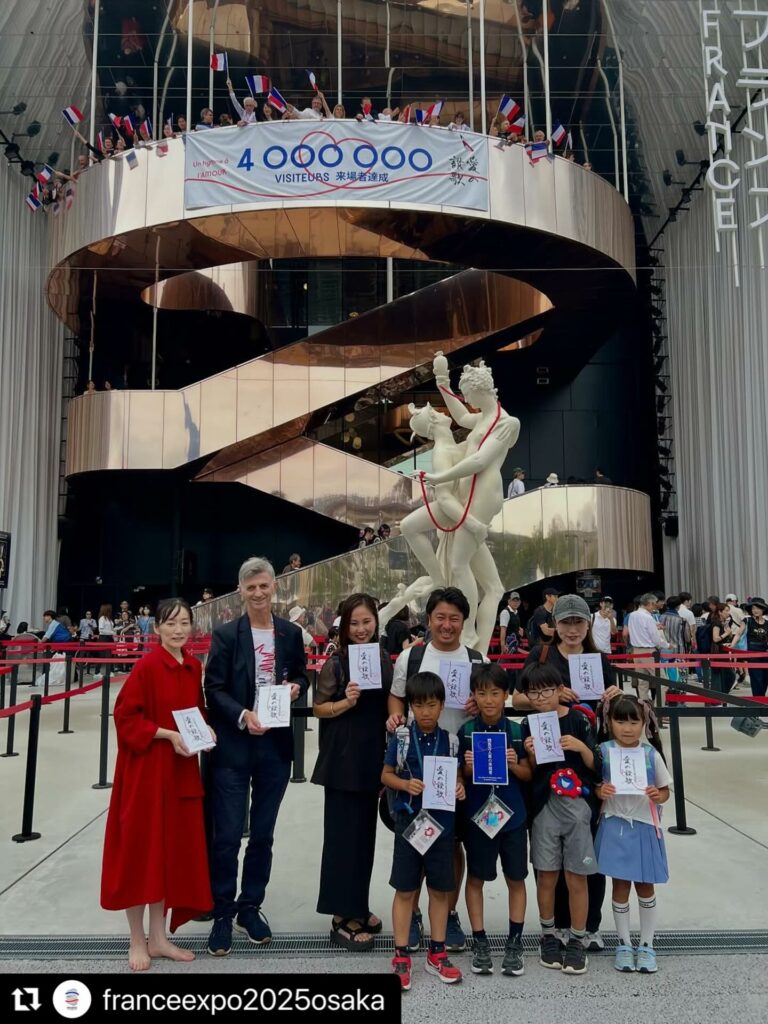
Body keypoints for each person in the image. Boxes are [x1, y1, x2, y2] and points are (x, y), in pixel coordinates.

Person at [100, 598, 214, 971]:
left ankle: (160, 937)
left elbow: (194, 712)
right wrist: (166, 734)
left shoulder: (192, 666)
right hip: (147, 772)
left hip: (180, 772)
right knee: (140, 853)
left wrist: (204, 728)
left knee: (168, 854)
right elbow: (125, 717)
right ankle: (138, 939)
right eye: (170, 624)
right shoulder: (148, 666)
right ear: (157, 628)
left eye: (184, 623)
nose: (178, 630)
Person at [203, 557, 308, 956]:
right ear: (241, 591)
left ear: (274, 586)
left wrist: (297, 688)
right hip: (235, 745)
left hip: (275, 748)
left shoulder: (289, 633)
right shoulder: (227, 634)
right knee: (228, 835)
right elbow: (214, 688)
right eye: (251, 588)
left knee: (262, 834)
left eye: (264, 586)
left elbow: (300, 674)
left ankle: (251, 905)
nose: (259, 593)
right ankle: (222, 912)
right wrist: (243, 715)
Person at [513, 594, 620, 953]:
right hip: (548, 761)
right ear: (553, 624)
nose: (572, 630)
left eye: (578, 623)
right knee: (550, 852)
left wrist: (614, 695)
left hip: (587, 759)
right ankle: (556, 926)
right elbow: (518, 698)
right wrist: (555, 698)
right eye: (565, 622)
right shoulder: (543, 656)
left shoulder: (600, 660)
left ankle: (589, 926)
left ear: (588, 625)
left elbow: (613, 711)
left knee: (588, 846)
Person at [387, 586, 484, 953]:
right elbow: (397, 694)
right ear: (429, 620)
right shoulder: (412, 657)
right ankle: (411, 914)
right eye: (440, 617)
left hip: (457, 766)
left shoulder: (475, 659)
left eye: (454, 618)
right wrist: (394, 715)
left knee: (451, 842)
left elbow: (491, 699)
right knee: (413, 840)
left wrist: (481, 706)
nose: (447, 625)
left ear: (464, 621)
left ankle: (450, 912)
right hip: (413, 765)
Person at [312, 594, 392, 949]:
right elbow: (318, 709)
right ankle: (341, 917)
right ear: (344, 627)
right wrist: (346, 700)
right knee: (342, 839)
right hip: (343, 758)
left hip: (372, 757)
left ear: (376, 622)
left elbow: (393, 699)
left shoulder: (384, 658)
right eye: (353, 624)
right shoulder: (336, 663)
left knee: (364, 839)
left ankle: (357, 904)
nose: (361, 630)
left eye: (366, 622)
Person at [382, 671, 466, 990]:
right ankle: (401, 954)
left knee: (440, 891)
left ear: (442, 705)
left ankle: (437, 953)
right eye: (419, 705)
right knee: (405, 889)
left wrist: (459, 788)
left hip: (442, 827)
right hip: (409, 824)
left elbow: (456, 778)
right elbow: (386, 775)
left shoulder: (451, 741)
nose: (426, 712)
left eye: (432, 705)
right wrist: (404, 783)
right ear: (411, 706)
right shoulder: (401, 738)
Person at [520, 662, 600, 975]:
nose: (541, 698)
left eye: (548, 691)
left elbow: (597, 767)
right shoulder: (529, 725)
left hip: (577, 807)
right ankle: (549, 935)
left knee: (576, 876)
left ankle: (578, 939)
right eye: (534, 693)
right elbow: (530, 772)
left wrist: (581, 747)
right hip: (543, 807)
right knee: (546, 875)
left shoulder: (579, 719)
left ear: (560, 690)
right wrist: (529, 753)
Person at [459, 664, 531, 977]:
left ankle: (515, 941)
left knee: (516, 878)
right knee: (475, 878)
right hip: (479, 819)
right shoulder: (465, 732)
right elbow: (458, 777)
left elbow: (530, 774)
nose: (489, 700)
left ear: (506, 695)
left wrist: (515, 765)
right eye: (482, 693)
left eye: (495, 693)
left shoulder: (516, 732)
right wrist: (467, 770)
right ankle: (479, 939)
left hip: (513, 818)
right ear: (473, 695)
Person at [594, 694, 671, 974]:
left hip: (644, 826)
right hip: (615, 823)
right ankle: (624, 943)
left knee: (645, 886)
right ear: (609, 722)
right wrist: (599, 791)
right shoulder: (603, 752)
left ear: (644, 723)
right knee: (620, 886)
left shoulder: (651, 754)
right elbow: (595, 786)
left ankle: (647, 944)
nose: (627, 728)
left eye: (633, 721)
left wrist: (657, 795)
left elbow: (665, 791)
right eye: (620, 721)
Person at [628, 593, 670, 700]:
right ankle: (659, 709)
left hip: (636, 651)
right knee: (663, 681)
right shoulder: (648, 617)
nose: (656, 606)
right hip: (648, 652)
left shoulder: (632, 615)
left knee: (642, 682)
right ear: (650, 603)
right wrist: (667, 645)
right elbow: (655, 638)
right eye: (655, 604)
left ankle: (644, 708)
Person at [734, 598, 768, 697]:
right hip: (753, 655)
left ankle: (761, 700)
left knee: (765, 678)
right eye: (753, 608)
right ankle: (757, 702)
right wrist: (731, 646)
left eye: (758, 608)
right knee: (756, 678)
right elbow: (738, 633)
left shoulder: (767, 623)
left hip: (765, 654)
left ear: (763, 609)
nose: (755, 610)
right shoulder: (747, 620)